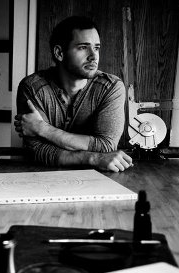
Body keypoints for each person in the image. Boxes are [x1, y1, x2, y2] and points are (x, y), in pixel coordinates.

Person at [14, 16, 133, 172]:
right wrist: (93, 158)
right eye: (83, 47)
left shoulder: (110, 87)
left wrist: (42, 129)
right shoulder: (33, 88)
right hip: (43, 178)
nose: (93, 56)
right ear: (59, 53)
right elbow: (37, 150)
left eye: (96, 48)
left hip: (99, 180)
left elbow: (106, 146)